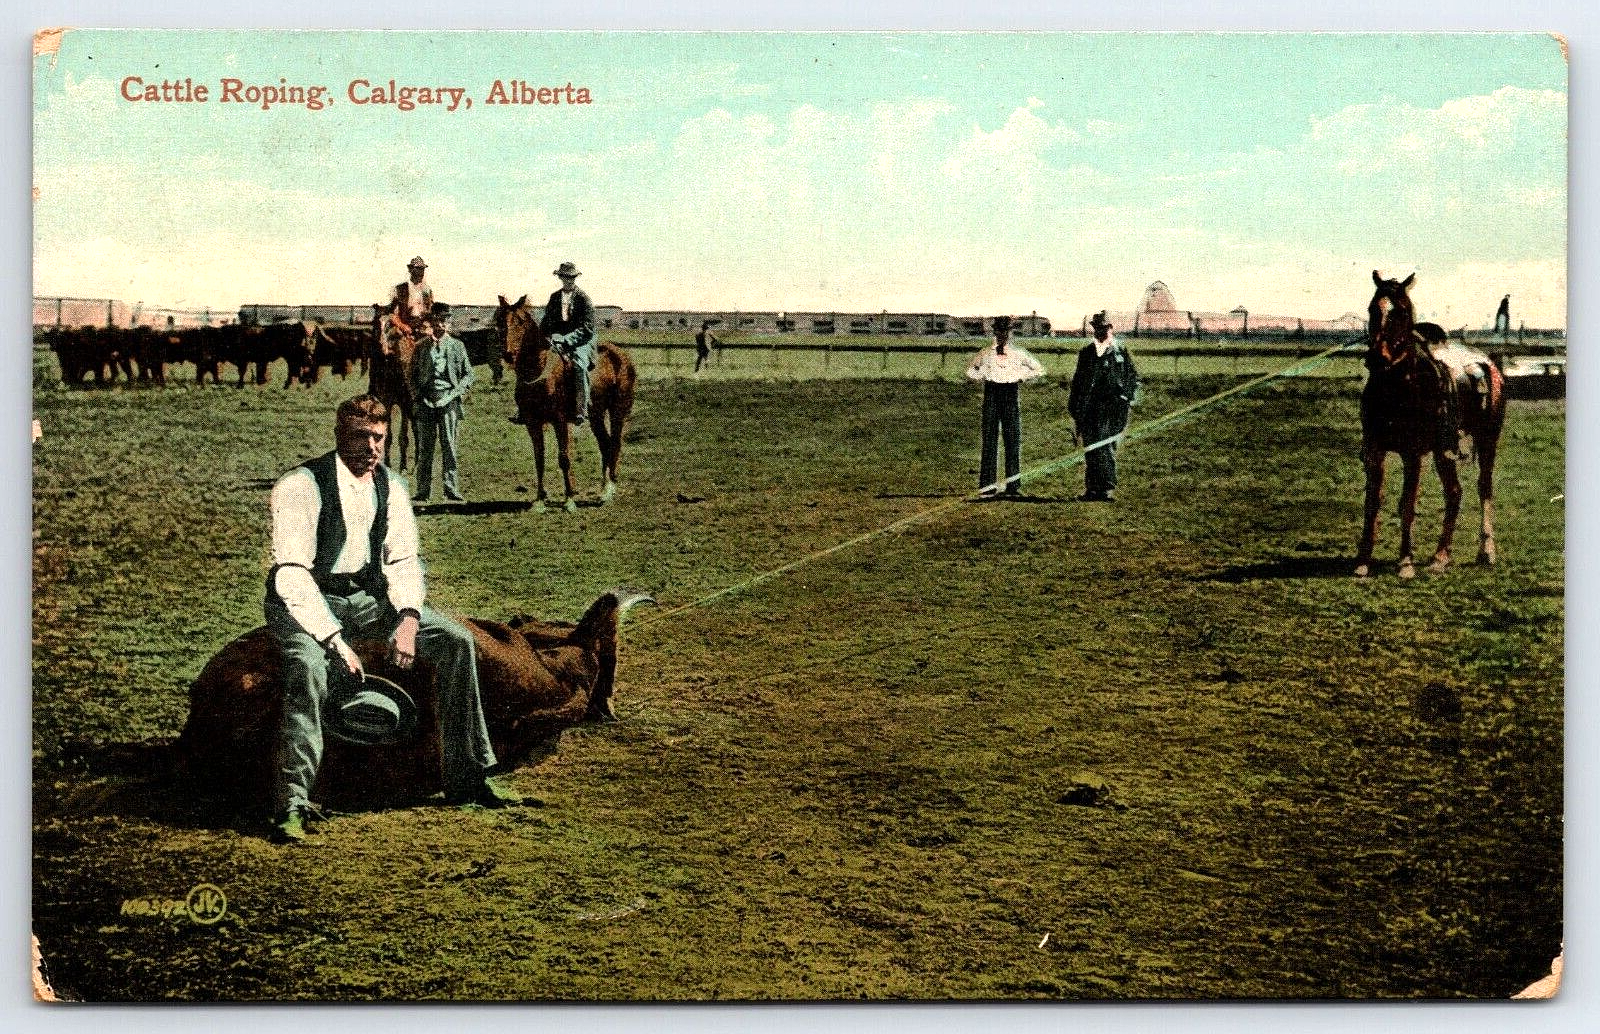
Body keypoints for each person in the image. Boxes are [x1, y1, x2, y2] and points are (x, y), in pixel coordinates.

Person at [265, 395, 517, 843]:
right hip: (305, 600)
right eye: (361, 436)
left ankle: (469, 777)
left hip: (366, 599)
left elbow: (403, 560)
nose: (372, 447)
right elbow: (292, 574)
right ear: (339, 436)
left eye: (379, 438)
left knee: (456, 642)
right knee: (306, 667)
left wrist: (409, 618)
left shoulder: (392, 486)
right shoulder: (300, 485)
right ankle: (292, 801)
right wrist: (335, 642)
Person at [965, 315, 1045, 497]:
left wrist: (1021, 376)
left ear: (1011, 332)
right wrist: (982, 375)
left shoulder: (1019, 353)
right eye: (1000, 331)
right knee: (989, 440)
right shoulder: (986, 353)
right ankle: (987, 487)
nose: (1003, 334)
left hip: (1010, 394)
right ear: (995, 332)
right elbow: (970, 370)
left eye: (1006, 331)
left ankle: (1013, 486)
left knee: (1012, 440)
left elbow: (1039, 369)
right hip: (991, 394)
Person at [1068, 311, 1140, 502]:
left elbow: (1133, 378)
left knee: (1106, 446)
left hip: (1113, 408)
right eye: (1097, 328)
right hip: (1090, 407)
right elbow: (1077, 382)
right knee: (1091, 447)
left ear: (1111, 328)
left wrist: (1128, 398)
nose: (1100, 332)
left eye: (1104, 328)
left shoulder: (1121, 351)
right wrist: (1074, 408)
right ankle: (1092, 489)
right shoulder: (1086, 353)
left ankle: (1106, 488)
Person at [409, 306, 475, 503]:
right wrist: (418, 396)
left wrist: (456, 393)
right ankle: (422, 492)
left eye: (445, 320)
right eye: (438, 320)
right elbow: (411, 376)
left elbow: (469, 374)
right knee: (425, 448)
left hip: (449, 401)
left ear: (449, 322)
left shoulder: (457, 346)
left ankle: (451, 490)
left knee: (449, 446)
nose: (441, 324)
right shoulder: (421, 347)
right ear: (432, 322)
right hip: (426, 402)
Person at [538, 261, 596, 425]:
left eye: (571, 277)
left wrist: (567, 339)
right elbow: (547, 321)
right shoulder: (555, 297)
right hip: (557, 338)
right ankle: (527, 407)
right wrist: (544, 336)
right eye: (565, 277)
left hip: (581, 340)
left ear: (575, 278)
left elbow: (587, 328)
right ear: (560, 277)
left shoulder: (584, 299)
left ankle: (581, 410)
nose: (568, 280)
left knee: (579, 366)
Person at [388, 256, 434, 338]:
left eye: (422, 269)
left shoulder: (427, 291)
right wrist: (402, 326)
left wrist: (427, 325)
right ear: (410, 269)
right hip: (404, 328)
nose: (421, 272)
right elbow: (392, 315)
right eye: (418, 268)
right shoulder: (399, 289)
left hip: (422, 328)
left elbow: (430, 312)